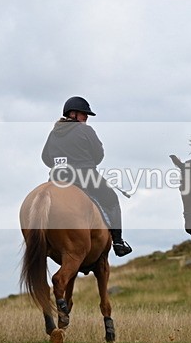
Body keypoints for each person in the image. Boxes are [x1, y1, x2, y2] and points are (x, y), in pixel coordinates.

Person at [41, 96, 132, 257]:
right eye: (84, 114)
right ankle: (118, 242)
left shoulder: (53, 133)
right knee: (112, 199)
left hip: (56, 178)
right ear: (73, 114)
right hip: (84, 176)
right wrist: (85, 162)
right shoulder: (85, 130)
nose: (87, 117)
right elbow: (99, 154)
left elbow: (45, 158)